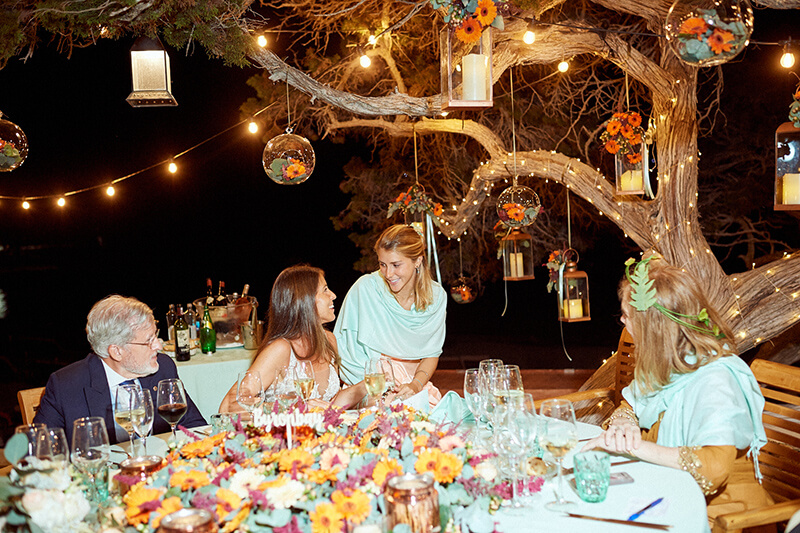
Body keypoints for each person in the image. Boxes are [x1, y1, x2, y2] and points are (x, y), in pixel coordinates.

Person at [582, 256, 771, 528]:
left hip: (722, 512)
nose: (622, 321)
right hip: (665, 487)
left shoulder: (716, 380)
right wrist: (625, 422)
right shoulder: (667, 361)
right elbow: (630, 403)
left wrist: (635, 447)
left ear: (654, 329)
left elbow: (712, 471)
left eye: (627, 316)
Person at [34, 295, 206, 446]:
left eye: (156, 335)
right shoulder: (65, 386)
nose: (158, 346)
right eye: (148, 341)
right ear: (116, 351)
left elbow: (194, 427)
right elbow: (38, 455)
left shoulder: (163, 368)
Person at [218, 265, 365, 412]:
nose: (333, 295)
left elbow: (331, 404)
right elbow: (228, 406)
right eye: (325, 290)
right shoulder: (281, 349)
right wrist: (291, 408)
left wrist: (370, 384)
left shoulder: (329, 341)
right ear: (304, 300)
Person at [334, 224, 447, 408]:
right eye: (382, 264)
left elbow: (431, 354)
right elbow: (345, 349)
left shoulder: (436, 297)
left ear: (417, 261)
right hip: (369, 386)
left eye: (396, 265)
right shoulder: (365, 289)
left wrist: (415, 385)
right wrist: (375, 388)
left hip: (414, 385)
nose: (388, 274)